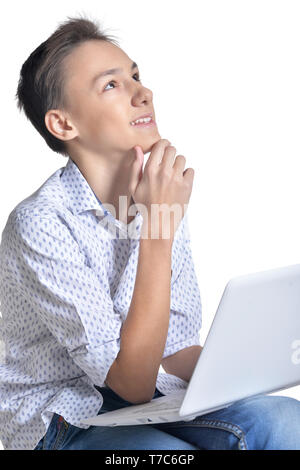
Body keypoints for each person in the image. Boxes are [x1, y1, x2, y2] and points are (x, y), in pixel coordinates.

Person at [0, 14, 299, 451]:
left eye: (136, 75)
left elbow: (172, 352)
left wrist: (259, 363)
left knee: (286, 420)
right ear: (64, 125)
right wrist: (159, 223)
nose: (144, 93)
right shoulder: (41, 224)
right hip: (62, 416)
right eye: (112, 85)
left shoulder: (156, 196)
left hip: (146, 398)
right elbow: (132, 383)